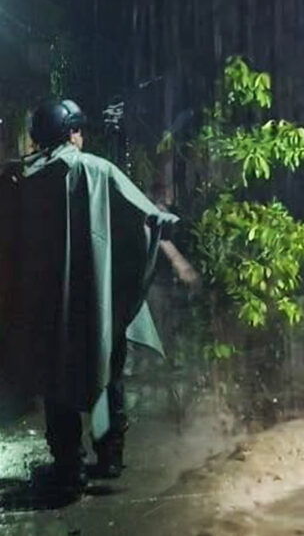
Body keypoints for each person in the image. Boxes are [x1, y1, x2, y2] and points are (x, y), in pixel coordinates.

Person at [0, 98, 178, 503]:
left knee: (55, 383)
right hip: (95, 302)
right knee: (105, 373)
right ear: (71, 132)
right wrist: (165, 225)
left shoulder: (20, 181)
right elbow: (144, 219)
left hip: (48, 309)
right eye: (78, 130)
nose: (82, 138)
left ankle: (69, 469)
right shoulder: (98, 170)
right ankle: (109, 456)